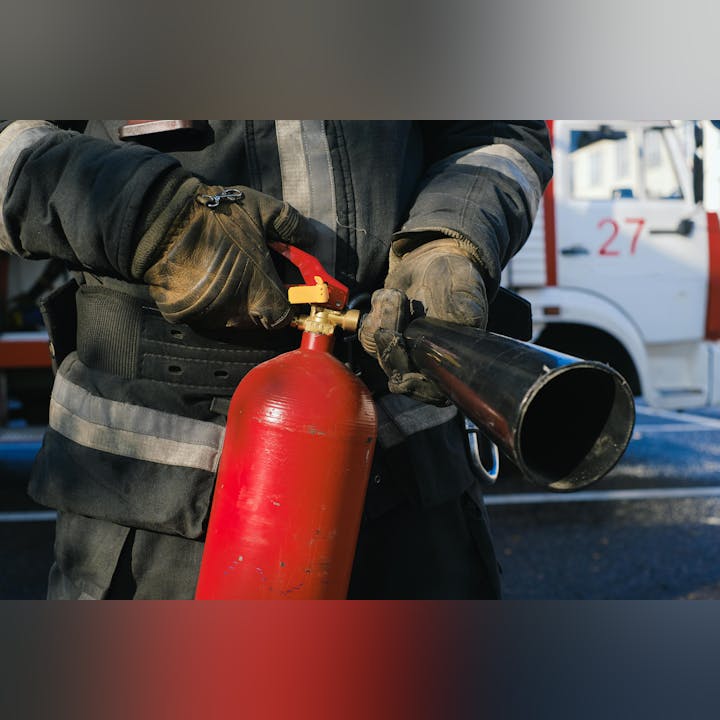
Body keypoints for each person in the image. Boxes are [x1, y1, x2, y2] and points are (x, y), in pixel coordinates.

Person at [0, 120, 552, 599]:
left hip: (412, 506)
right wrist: (154, 220)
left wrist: (451, 241)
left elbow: (496, 134)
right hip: (157, 523)